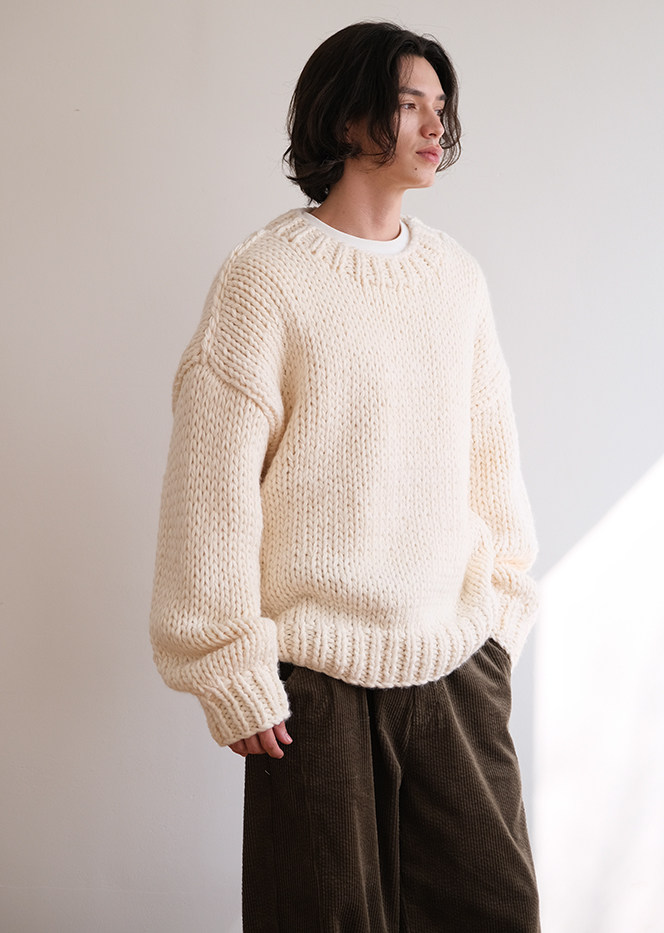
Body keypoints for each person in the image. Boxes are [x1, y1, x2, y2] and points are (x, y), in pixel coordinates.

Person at [150, 20, 541, 932]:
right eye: (409, 104)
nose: (435, 126)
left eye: (440, 107)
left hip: (455, 664)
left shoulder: (456, 280)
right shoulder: (264, 280)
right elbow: (210, 491)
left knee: (496, 909)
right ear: (346, 117)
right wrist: (229, 667)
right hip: (314, 684)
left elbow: (492, 460)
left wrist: (501, 620)